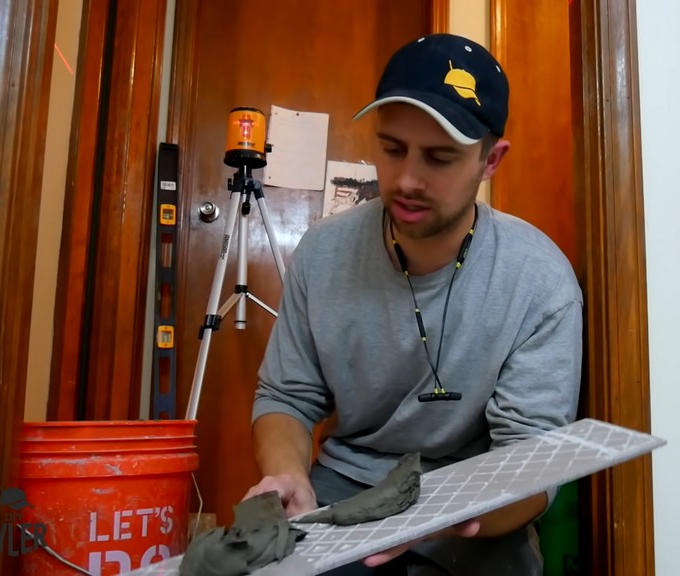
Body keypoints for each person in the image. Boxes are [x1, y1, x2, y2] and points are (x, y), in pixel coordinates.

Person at [244, 32, 583, 575]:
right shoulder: (324, 253)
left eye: (440, 158)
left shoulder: (539, 279)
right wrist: (288, 475)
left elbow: (532, 462)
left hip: (477, 501)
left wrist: (449, 516)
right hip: (347, 489)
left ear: (490, 160)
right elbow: (286, 395)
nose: (406, 180)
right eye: (393, 149)